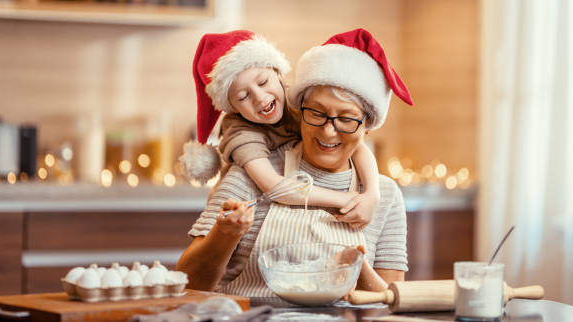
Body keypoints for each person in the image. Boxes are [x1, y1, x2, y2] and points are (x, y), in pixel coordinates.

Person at [177, 28, 413, 297]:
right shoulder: (248, 177)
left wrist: (356, 270)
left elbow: (393, 301)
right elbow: (189, 284)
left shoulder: (386, 196)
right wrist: (225, 234)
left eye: (346, 119)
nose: (328, 131)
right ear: (299, 111)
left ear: (367, 126)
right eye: (316, 113)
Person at [180, 30, 381, 229]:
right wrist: (346, 199)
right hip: (249, 215)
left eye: (263, 82)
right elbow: (274, 187)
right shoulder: (241, 132)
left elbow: (358, 146)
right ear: (232, 107)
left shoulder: (301, 102)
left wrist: (372, 194)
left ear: (277, 73)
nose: (259, 97)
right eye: (243, 96)